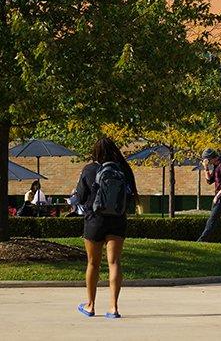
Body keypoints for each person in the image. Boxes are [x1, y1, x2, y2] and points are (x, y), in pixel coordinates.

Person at [74, 136, 138, 319]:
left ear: (96, 152)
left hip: (95, 221)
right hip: (117, 221)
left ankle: (90, 305)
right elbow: (131, 197)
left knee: (93, 263)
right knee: (114, 262)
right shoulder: (123, 170)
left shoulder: (89, 169)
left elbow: (80, 196)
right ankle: (113, 308)